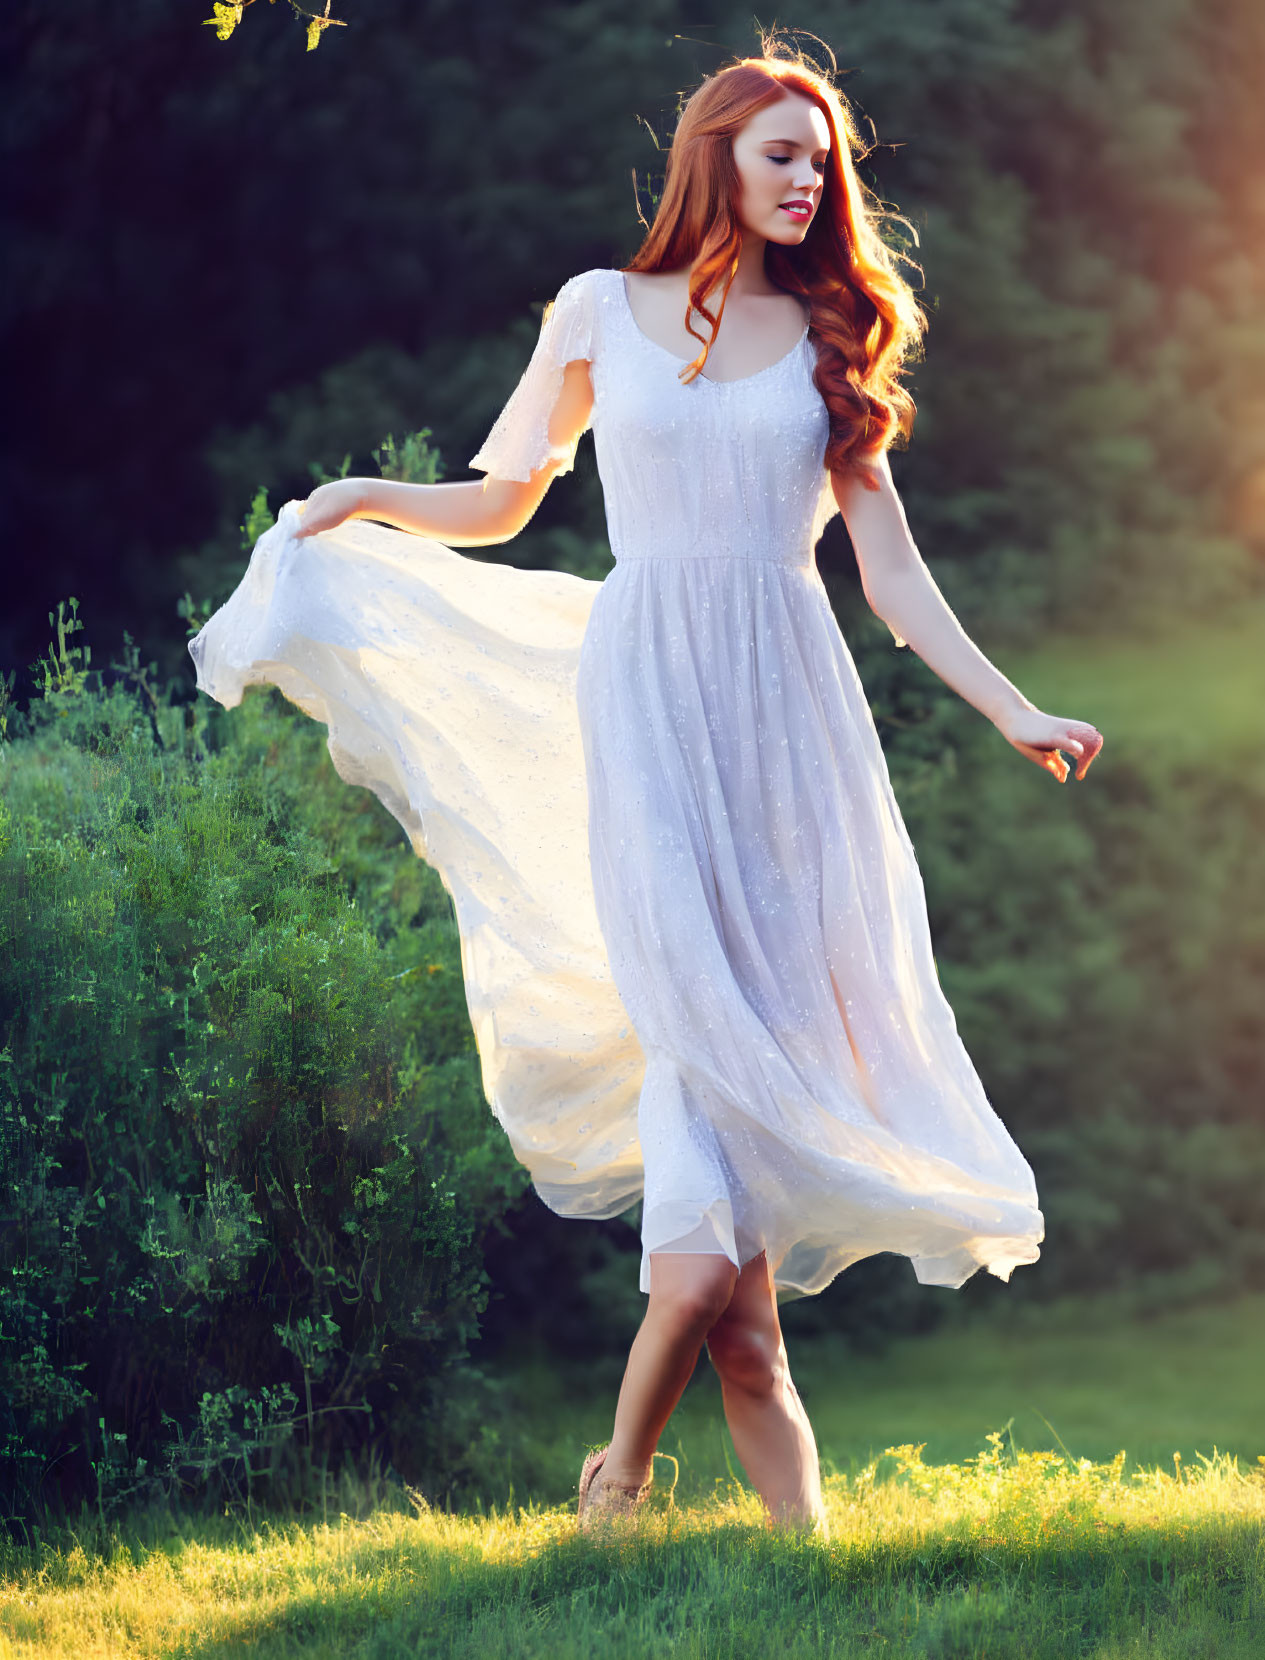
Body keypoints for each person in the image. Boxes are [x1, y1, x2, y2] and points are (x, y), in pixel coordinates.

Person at [189, 44, 1103, 1541]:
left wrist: (1011, 709)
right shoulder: (595, 312)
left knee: (737, 1260)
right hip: (648, 704)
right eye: (784, 157)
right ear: (715, 160)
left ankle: (696, 1520)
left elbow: (891, 581)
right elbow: (501, 495)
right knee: (684, 1024)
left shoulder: (828, 335)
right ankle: (625, 1489)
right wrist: (357, 500)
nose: (812, 181)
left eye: (825, 162)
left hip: (788, 727)